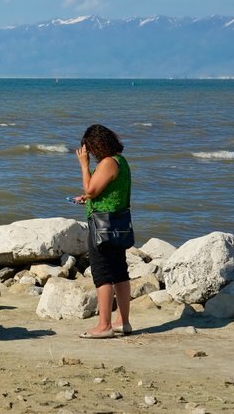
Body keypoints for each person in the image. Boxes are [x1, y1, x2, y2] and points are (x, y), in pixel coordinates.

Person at [72, 124, 133, 339]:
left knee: (102, 273)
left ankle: (104, 325)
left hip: (102, 225)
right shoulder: (120, 161)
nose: (89, 153)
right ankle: (123, 322)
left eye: (89, 149)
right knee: (119, 272)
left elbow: (91, 189)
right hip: (118, 224)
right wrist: (87, 198)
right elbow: (103, 191)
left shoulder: (107, 163)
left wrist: (83, 165)